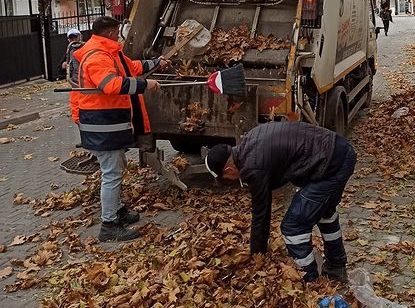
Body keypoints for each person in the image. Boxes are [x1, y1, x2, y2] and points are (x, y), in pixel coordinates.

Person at [205, 122, 356, 283]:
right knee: (324, 213)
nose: (231, 181)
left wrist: (258, 256)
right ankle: (336, 267)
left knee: (293, 226)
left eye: (227, 179)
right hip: (337, 151)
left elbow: (261, 213)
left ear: (229, 170)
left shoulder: (253, 167)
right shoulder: (249, 141)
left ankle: (310, 282)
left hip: (331, 166)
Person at [71, 16, 170, 242]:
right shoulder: (97, 56)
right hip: (102, 124)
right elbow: (111, 85)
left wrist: (155, 63)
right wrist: (146, 84)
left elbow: (131, 67)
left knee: (116, 168)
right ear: (109, 33)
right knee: (111, 174)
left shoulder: (109, 52)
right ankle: (109, 225)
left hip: (110, 124)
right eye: (117, 31)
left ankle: (117, 210)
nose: (119, 35)